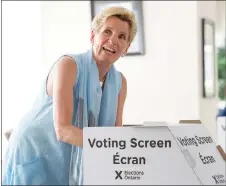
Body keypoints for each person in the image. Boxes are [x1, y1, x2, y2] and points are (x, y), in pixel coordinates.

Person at [2, 6, 137, 185]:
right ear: (92, 36)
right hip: (36, 151)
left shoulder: (120, 82)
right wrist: (112, 146)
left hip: (72, 155)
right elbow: (63, 130)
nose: (113, 40)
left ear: (126, 47)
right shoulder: (69, 65)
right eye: (107, 31)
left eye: (122, 37)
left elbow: (115, 132)